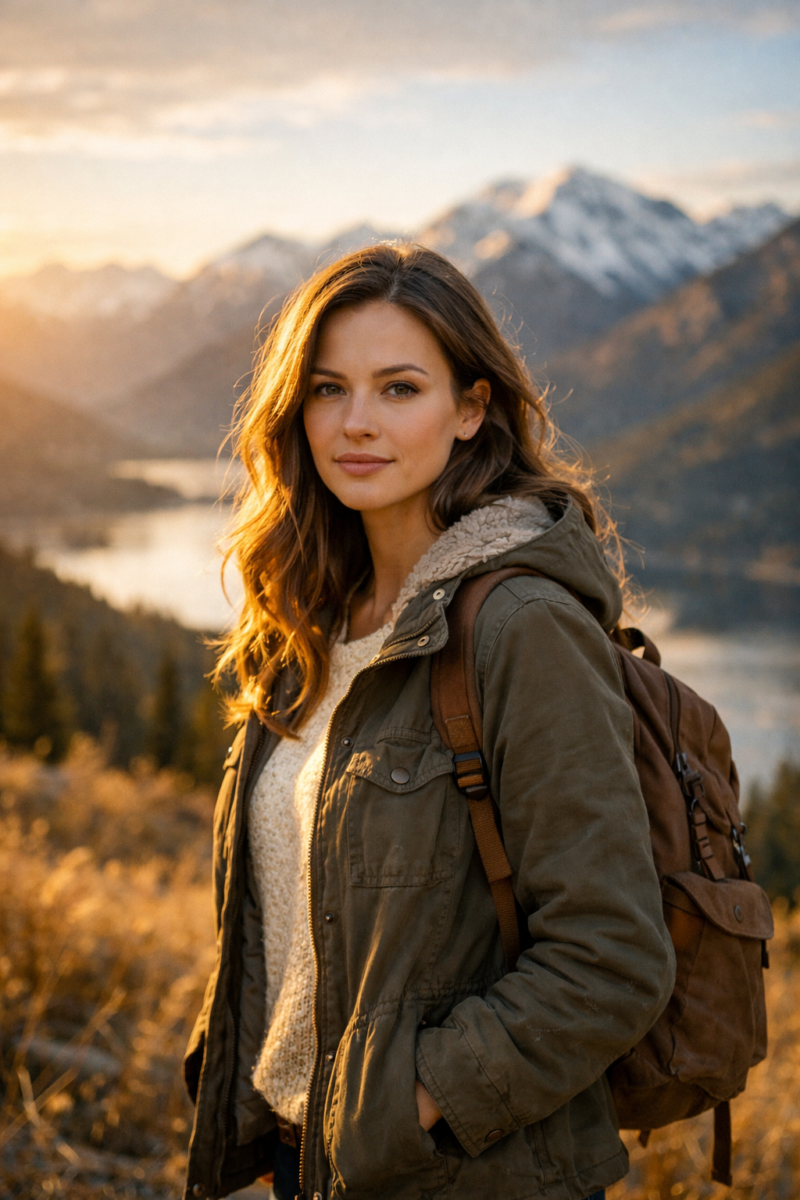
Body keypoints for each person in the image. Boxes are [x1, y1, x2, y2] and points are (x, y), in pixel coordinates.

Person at [182, 244, 676, 1200]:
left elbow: (612, 958)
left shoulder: (520, 627)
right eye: (329, 388)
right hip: (302, 1163)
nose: (356, 423)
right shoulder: (313, 623)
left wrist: (404, 1106)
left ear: (471, 410)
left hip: (455, 1172)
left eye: (399, 388)